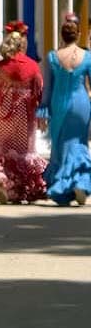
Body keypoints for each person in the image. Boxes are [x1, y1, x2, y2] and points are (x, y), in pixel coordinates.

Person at [0, 22, 47, 204]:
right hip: (24, 117)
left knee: (0, 151)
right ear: (22, 45)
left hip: (0, 115)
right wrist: (42, 117)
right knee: (24, 153)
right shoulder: (33, 67)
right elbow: (38, 93)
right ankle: (22, 189)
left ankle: (1, 180)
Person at [39, 14, 91, 206]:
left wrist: (43, 110)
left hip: (59, 104)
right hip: (81, 104)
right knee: (79, 143)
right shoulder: (88, 57)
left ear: (62, 36)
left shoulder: (52, 57)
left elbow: (48, 89)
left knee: (61, 145)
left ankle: (65, 188)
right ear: (77, 35)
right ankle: (80, 182)